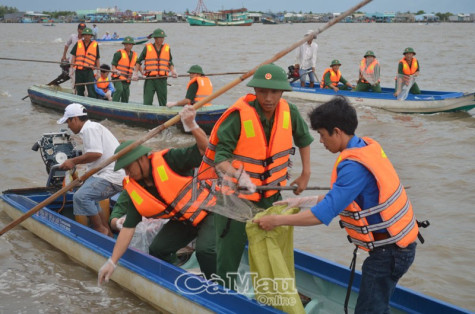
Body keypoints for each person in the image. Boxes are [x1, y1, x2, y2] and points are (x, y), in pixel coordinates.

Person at [254, 96, 420, 314]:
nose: (321, 142)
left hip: (389, 254)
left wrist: (276, 220)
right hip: (399, 246)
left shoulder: (353, 167)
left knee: (369, 311)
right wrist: (300, 202)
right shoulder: (365, 147)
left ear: (337, 132)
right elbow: (342, 199)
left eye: (323, 135)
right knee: (375, 306)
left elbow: (321, 215)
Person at [198, 63, 314, 289]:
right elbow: (220, 158)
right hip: (235, 198)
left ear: (282, 92)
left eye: (273, 92)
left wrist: (305, 173)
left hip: (271, 196)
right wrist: (239, 175)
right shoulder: (238, 116)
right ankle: (226, 296)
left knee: (272, 250)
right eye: (262, 91)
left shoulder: (290, 112)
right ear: (254, 91)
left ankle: (271, 297)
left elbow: (304, 140)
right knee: (229, 256)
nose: (268, 98)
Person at [98, 106, 217, 283]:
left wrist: (192, 125)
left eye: (128, 168)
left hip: (209, 211)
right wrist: (112, 262)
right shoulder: (136, 188)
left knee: (205, 250)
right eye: (124, 170)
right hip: (185, 220)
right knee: (158, 249)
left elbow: (205, 151)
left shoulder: (170, 160)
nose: (127, 174)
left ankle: (217, 287)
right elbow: (129, 228)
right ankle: (175, 279)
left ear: (140, 159)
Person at [57, 103, 124, 236]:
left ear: (75, 119)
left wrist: (72, 161)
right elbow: (95, 160)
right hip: (107, 174)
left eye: (68, 122)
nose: (68, 126)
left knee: (81, 196)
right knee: (90, 198)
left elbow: (95, 154)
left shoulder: (90, 129)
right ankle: (107, 232)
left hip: (111, 175)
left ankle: (100, 229)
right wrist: (84, 177)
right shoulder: (93, 128)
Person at [133, 28, 177, 106]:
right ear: (155, 38)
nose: (162, 39)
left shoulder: (167, 48)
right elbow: (138, 61)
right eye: (160, 38)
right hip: (150, 79)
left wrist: (173, 71)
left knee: (163, 102)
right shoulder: (147, 48)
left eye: (163, 38)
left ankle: (163, 116)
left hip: (162, 79)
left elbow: (170, 62)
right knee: (147, 101)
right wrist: (135, 73)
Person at [70, 27, 100, 98]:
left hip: (89, 71)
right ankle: (80, 102)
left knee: (91, 88)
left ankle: (92, 102)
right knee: (79, 88)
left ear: (91, 36)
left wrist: (98, 71)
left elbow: (97, 59)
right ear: (83, 35)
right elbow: (73, 56)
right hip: (79, 70)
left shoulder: (95, 45)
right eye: (85, 35)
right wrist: (71, 68)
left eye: (88, 35)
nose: (87, 36)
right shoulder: (78, 43)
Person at [111, 36, 137, 103]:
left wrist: (138, 73)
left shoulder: (134, 55)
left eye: (130, 44)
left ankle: (124, 107)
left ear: (132, 45)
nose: (128, 46)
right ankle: (114, 104)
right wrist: (116, 70)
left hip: (126, 79)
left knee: (126, 94)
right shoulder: (118, 54)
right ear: (124, 45)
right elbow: (113, 66)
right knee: (119, 89)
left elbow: (137, 65)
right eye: (127, 44)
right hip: (117, 77)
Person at [61, 22, 86, 89]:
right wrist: (64, 56)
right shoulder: (73, 36)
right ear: (78, 29)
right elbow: (67, 45)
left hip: (81, 61)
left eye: (83, 29)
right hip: (73, 59)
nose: (82, 31)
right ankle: (74, 89)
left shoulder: (85, 39)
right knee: (72, 76)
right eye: (81, 29)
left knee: (81, 78)